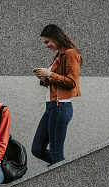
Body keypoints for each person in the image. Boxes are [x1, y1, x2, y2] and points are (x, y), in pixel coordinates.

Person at [32, 24, 83, 165]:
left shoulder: (70, 54)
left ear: (56, 37)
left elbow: (72, 82)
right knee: (37, 149)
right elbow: (57, 82)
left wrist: (50, 73)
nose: (46, 46)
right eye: (45, 43)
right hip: (51, 107)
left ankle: (62, 174)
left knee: (56, 152)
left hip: (61, 107)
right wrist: (45, 79)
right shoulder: (58, 56)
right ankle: (60, 168)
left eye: (47, 42)